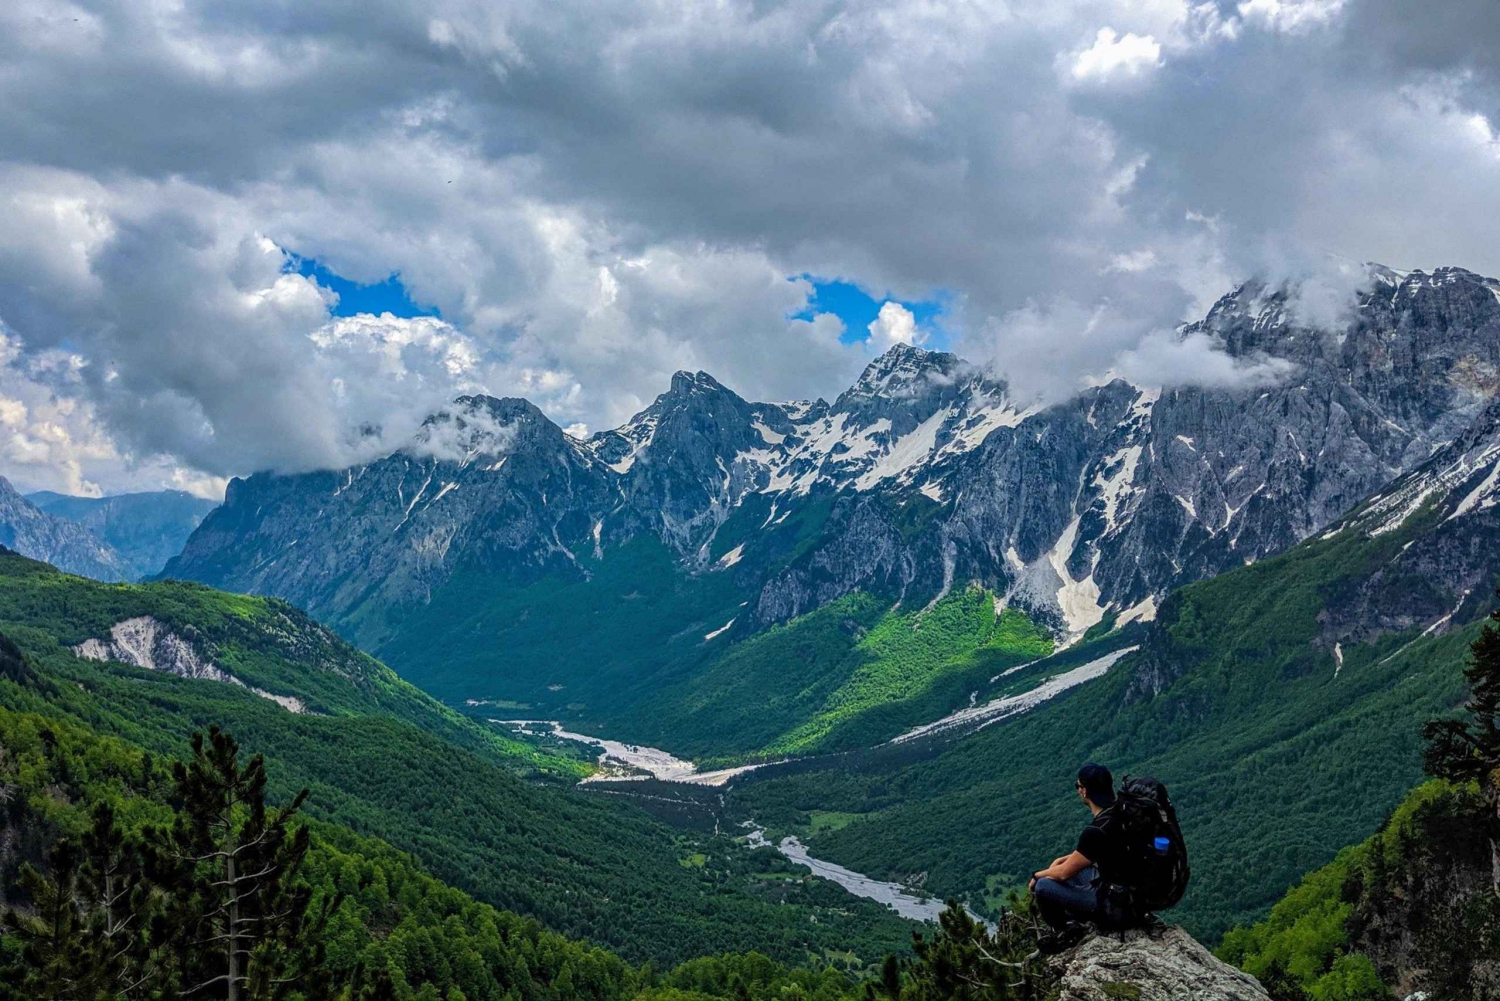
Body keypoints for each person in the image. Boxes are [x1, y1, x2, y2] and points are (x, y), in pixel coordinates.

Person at [1027, 762, 1123, 952]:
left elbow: (1062, 874)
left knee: (1043, 886)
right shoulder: (1121, 812)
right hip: (1132, 894)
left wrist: (1037, 876)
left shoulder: (1096, 830)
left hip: (1113, 904)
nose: (1078, 790)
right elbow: (1084, 856)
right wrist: (1059, 862)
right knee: (1076, 870)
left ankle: (1067, 930)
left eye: (1077, 785)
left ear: (1085, 791)